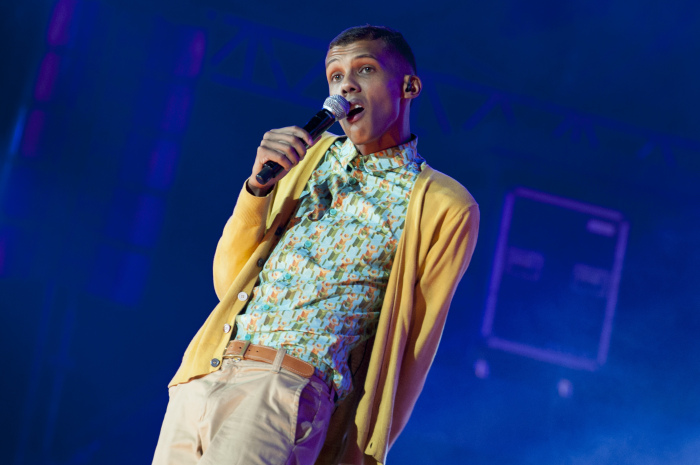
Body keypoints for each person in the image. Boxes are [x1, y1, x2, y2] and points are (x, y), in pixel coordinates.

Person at [153, 25, 479, 465]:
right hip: (205, 372)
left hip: (286, 386)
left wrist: (365, 450)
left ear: (409, 86)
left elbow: (414, 346)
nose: (346, 84)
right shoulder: (306, 156)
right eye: (335, 75)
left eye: (364, 69)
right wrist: (256, 189)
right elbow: (229, 282)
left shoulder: (443, 204)